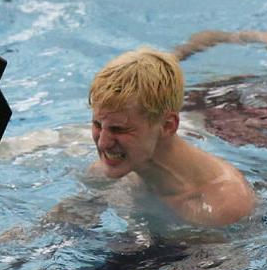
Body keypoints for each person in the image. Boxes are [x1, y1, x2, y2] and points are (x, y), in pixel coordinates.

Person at [86, 47, 255, 227]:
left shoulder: (222, 206)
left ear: (167, 126)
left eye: (119, 130)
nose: (103, 143)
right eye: (97, 125)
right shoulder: (113, 170)